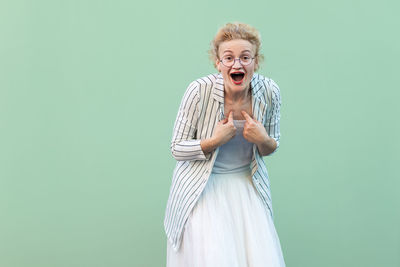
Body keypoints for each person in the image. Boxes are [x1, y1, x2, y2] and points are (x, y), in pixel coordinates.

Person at [164, 22, 286, 267]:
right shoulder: (199, 91)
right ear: (217, 63)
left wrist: (262, 139)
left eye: (245, 57)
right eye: (228, 58)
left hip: (247, 187)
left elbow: (271, 146)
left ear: (256, 62)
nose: (237, 64)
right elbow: (177, 148)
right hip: (201, 190)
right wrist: (213, 141)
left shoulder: (270, 91)